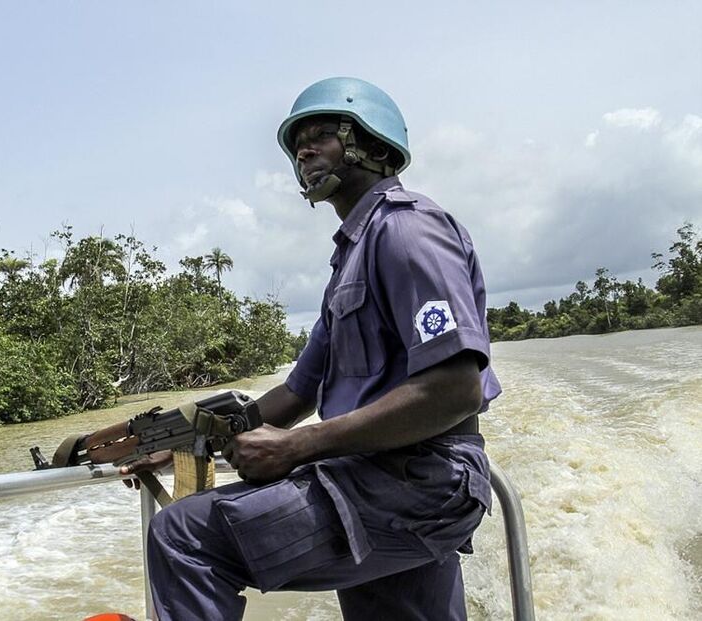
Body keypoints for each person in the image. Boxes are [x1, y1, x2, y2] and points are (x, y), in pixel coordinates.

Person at [121, 76, 502, 620]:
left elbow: (455, 388)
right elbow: (297, 392)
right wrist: (187, 442)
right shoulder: (351, 257)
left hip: (423, 482)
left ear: (373, 146)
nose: (303, 150)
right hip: (383, 480)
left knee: (184, 536)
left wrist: (298, 447)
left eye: (323, 133)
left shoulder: (407, 232)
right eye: (298, 142)